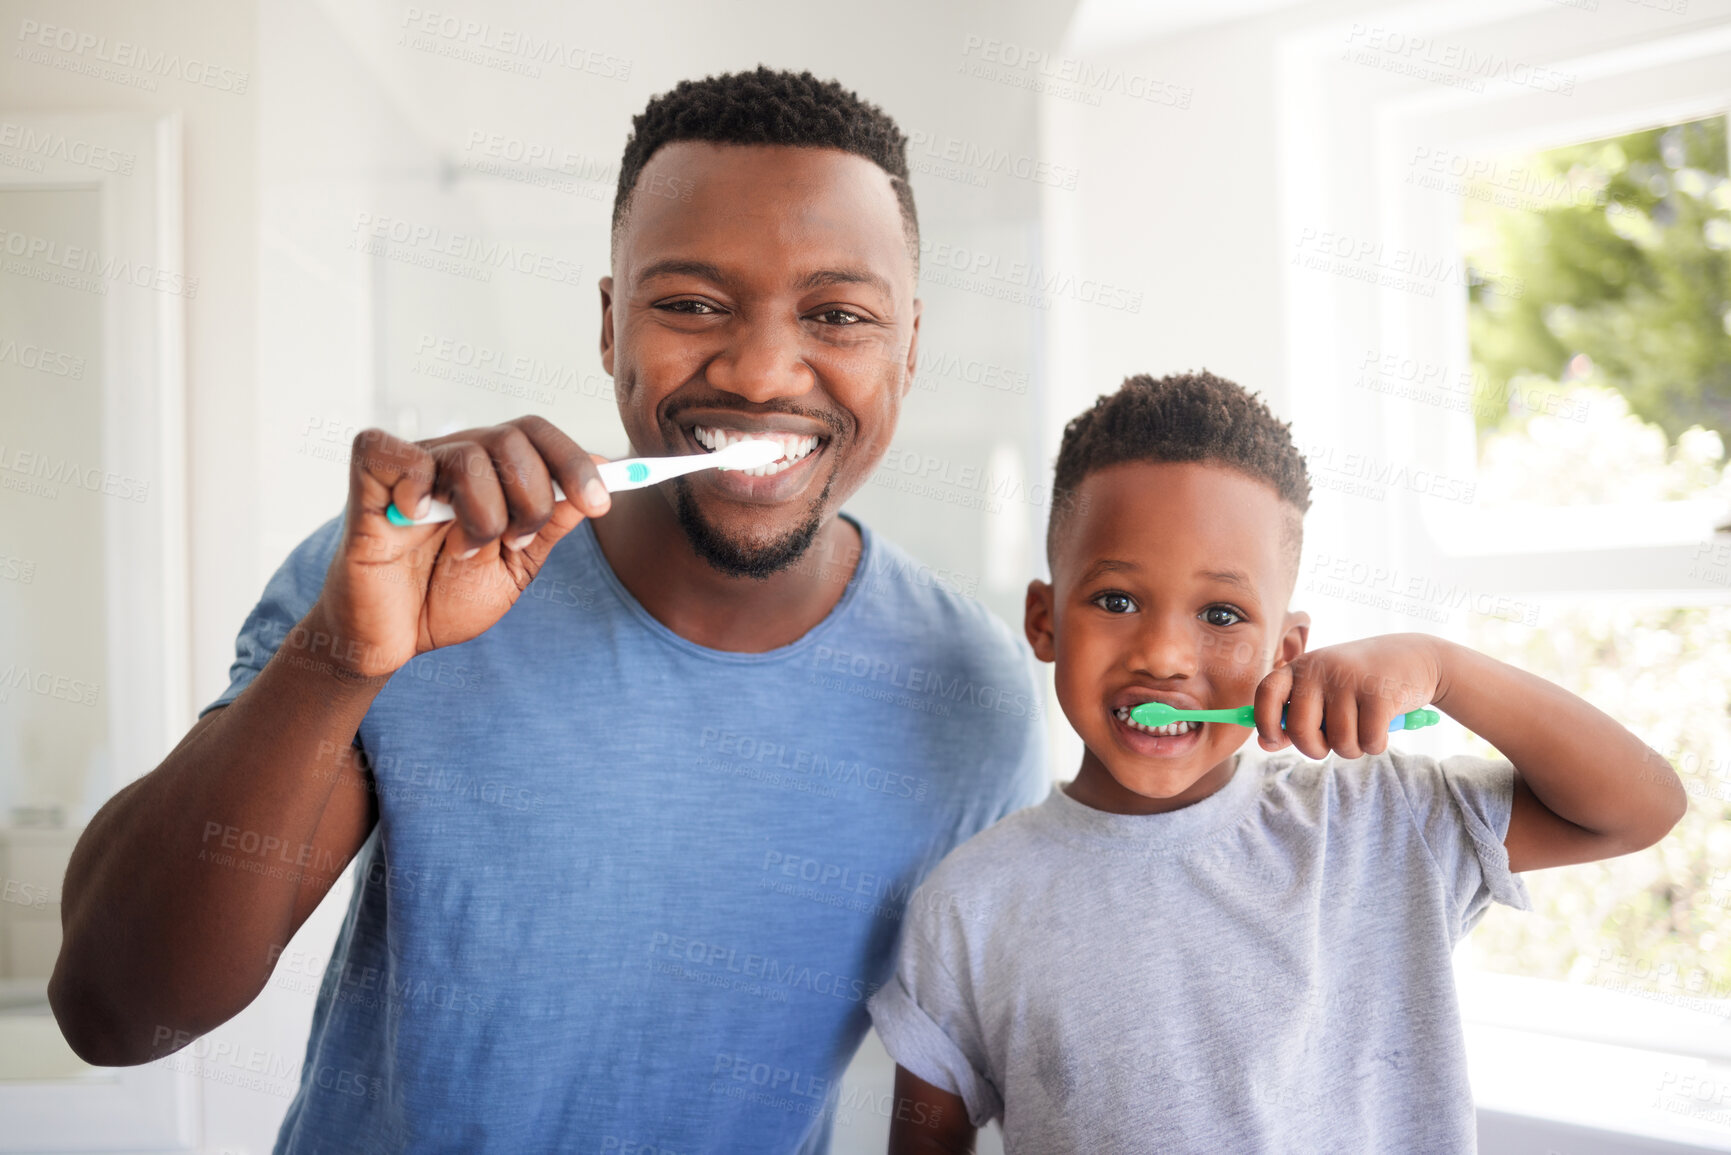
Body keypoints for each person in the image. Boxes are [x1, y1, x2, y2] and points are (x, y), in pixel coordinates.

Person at [49, 68, 1048, 1153]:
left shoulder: (969, 695)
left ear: (908, 345)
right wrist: (343, 660)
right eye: (692, 304)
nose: (763, 371)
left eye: (838, 315)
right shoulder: (403, 576)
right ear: (612, 325)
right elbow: (112, 1011)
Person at [868, 370, 1687, 1153]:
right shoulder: (970, 904)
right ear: (1045, 621)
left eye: (1221, 613)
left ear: (1285, 649)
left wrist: (1443, 665)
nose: (1163, 654)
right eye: (1115, 600)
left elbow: (1639, 806)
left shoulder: (1378, 822)